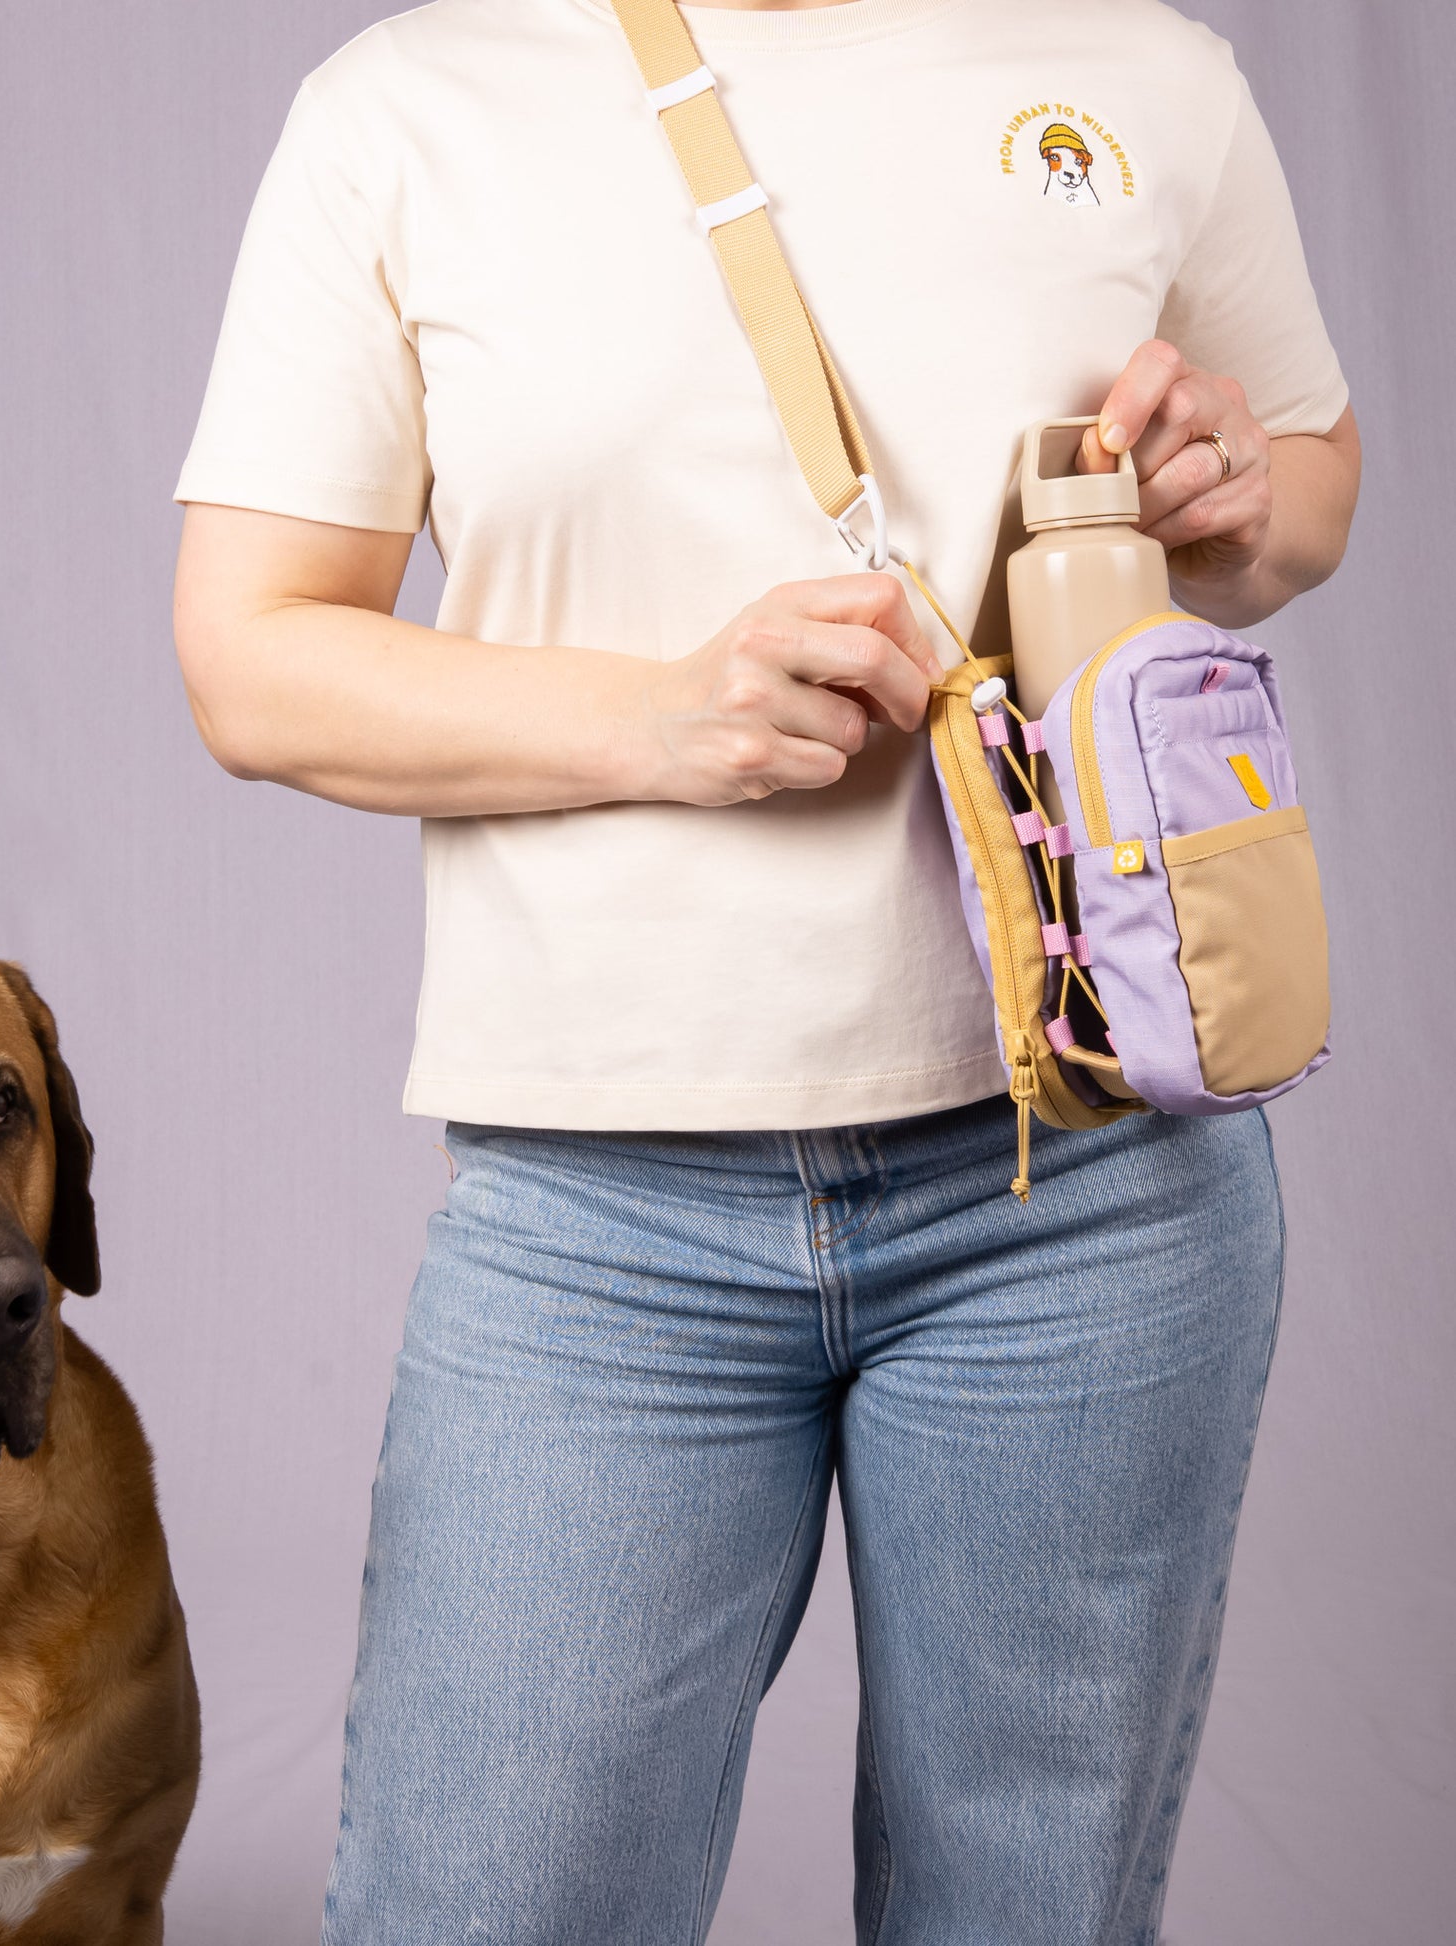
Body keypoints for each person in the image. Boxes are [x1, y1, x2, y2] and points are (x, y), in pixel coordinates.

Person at [171, 0, 1360, 1938]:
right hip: (598, 1212)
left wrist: (1240, 486)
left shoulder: (1141, 72)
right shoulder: (407, 112)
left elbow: (1306, 480)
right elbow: (247, 653)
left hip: (1088, 1185)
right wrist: (665, 719)